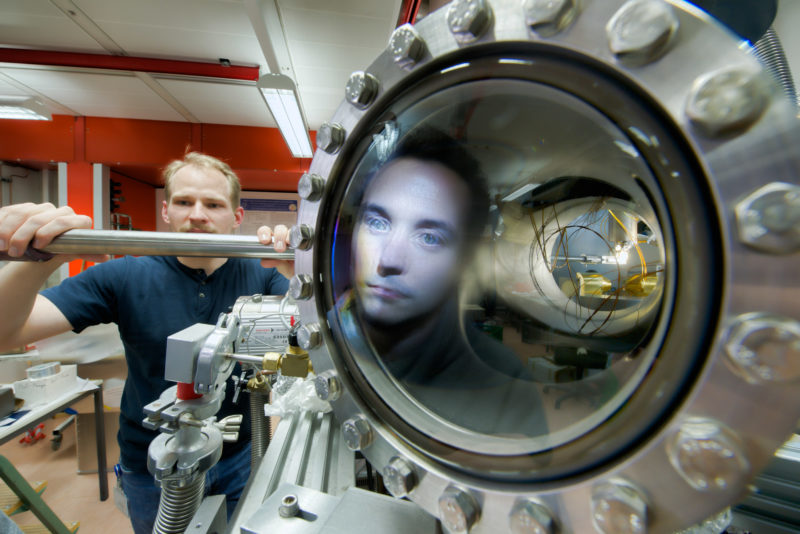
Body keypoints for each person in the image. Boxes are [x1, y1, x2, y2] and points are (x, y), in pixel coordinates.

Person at [0, 152, 292, 534]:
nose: (198, 214)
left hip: (239, 454)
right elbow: (8, 333)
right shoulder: (125, 273)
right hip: (154, 465)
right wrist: (39, 258)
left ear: (236, 217)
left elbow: (314, 339)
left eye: (213, 204)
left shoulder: (264, 274)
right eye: (185, 202)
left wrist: (298, 274)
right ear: (167, 210)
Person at [334, 127, 545, 438]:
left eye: (429, 238)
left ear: (464, 261)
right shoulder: (319, 341)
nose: (389, 259)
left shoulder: (503, 385)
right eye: (377, 222)